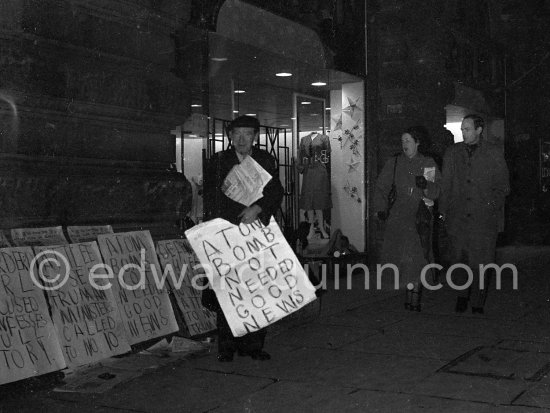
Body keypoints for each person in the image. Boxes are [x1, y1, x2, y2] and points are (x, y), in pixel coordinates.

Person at [203, 115, 284, 362]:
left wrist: (257, 209)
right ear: (229, 136)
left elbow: (275, 191)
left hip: (256, 230)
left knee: (256, 286)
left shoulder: (265, 159)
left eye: (247, 134)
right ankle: (226, 347)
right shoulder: (218, 161)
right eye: (236, 134)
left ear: (255, 137)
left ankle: (254, 345)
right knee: (228, 289)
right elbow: (210, 196)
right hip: (227, 232)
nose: (241, 139)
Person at [440, 114, 510, 314]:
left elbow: (503, 186)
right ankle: (462, 296)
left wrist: (491, 206)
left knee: (481, 261)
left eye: (467, 129)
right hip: (458, 217)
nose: (463, 132)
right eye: (462, 129)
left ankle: (478, 301)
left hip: (483, 219)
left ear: (479, 130)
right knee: (460, 259)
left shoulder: (493, 153)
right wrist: (443, 212)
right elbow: (446, 186)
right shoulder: (452, 153)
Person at [374, 126, 441, 311]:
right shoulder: (394, 162)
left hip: (419, 217)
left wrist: (426, 186)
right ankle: (408, 292)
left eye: (408, 141)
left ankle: (415, 296)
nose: (405, 144)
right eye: (403, 141)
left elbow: (435, 192)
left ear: (417, 142)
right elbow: (381, 187)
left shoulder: (428, 163)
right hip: (399, 216)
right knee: (403, 257)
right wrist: (380, 209)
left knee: (418, 256)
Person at [297, 132, 331, 239]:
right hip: (308, 172)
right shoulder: (303, 139)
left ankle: (322, 228)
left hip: (320, 170)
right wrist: (301, 167)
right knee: (309, 202)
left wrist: (322, 162)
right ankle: (311, 229)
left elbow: (327, 155)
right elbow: (301, 155)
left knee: (319, 202)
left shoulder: (324, 138)